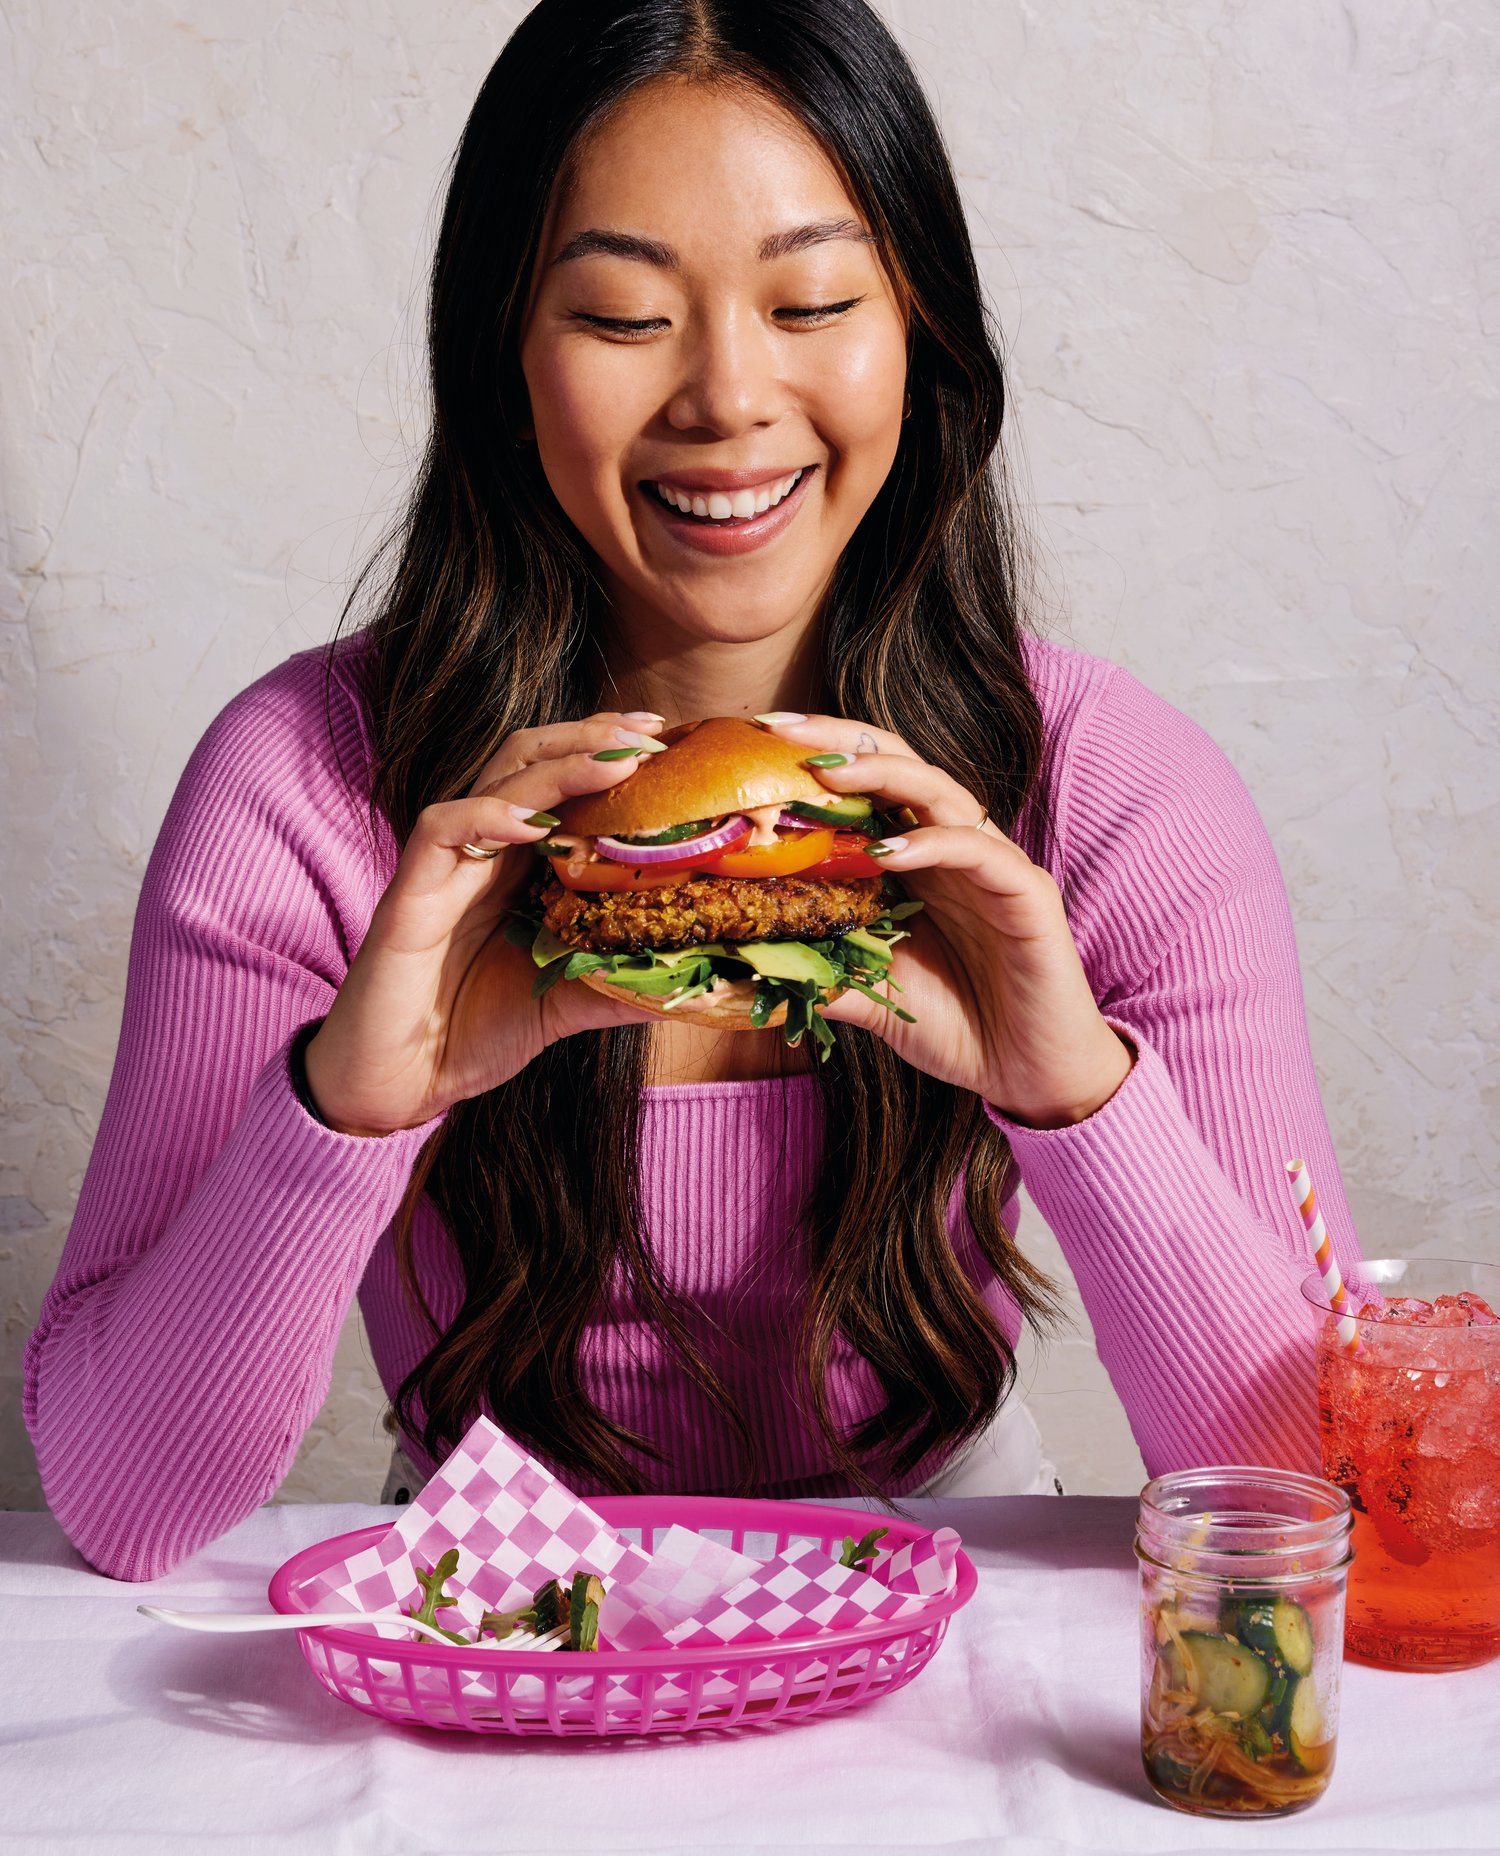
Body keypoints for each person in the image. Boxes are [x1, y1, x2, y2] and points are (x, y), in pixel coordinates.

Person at [24, 0, 1365, 1581]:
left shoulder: (1113, 793)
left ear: (917, 328)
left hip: (952, 1576)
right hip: (497, 1587)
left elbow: (1322, 1505)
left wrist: (1074, 1091)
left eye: (812, 300)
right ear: (501, 354)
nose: (728, 397)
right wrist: (345, 1107)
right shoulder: (308, 788)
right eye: (618, 316)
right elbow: (123, 1509)